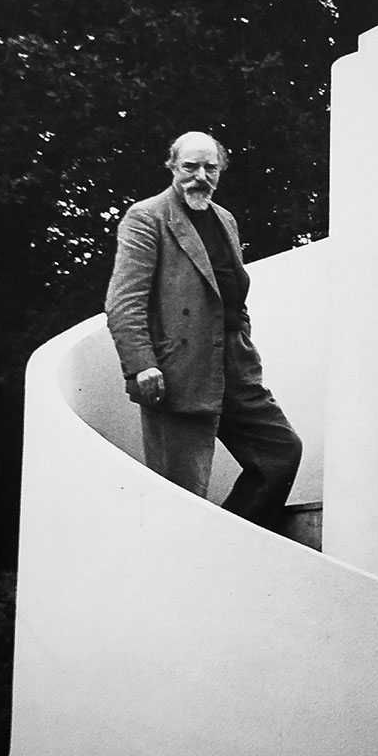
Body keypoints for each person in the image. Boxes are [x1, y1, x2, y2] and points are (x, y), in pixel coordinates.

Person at [105, 130, 302, 533]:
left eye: (210, 167)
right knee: (182, 490)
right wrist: (142, 364)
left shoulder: (225, 219)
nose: (200, 176)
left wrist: (243, 340)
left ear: (221, 170)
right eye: (190, 166)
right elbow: (124, 301)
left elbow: (232, 291)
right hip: (178, 371)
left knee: (280, 452)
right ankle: (184, 570)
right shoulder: (147, 217)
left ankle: (227, 539)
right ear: (172, 166)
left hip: (235, 364)